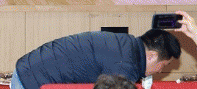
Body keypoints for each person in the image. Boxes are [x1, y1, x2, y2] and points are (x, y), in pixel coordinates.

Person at [11, 29, 181, 89]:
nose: (160, 70)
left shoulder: (127, 43)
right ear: (151, 56)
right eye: (163, 65)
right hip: (32, 81)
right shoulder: (124, 67)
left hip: (30, 68)